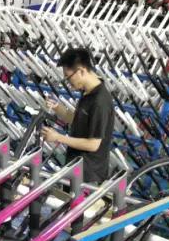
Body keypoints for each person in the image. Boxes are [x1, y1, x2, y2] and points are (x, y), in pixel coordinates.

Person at [42, 47, 115, 184]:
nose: (68, 82)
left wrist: (58, 137)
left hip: (88, 176)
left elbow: (93, 145)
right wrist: (57, 107)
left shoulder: (100, 101)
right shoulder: (87, 92)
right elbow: (77, 120)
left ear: (81, 71)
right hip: (75, 169)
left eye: (68, 77)